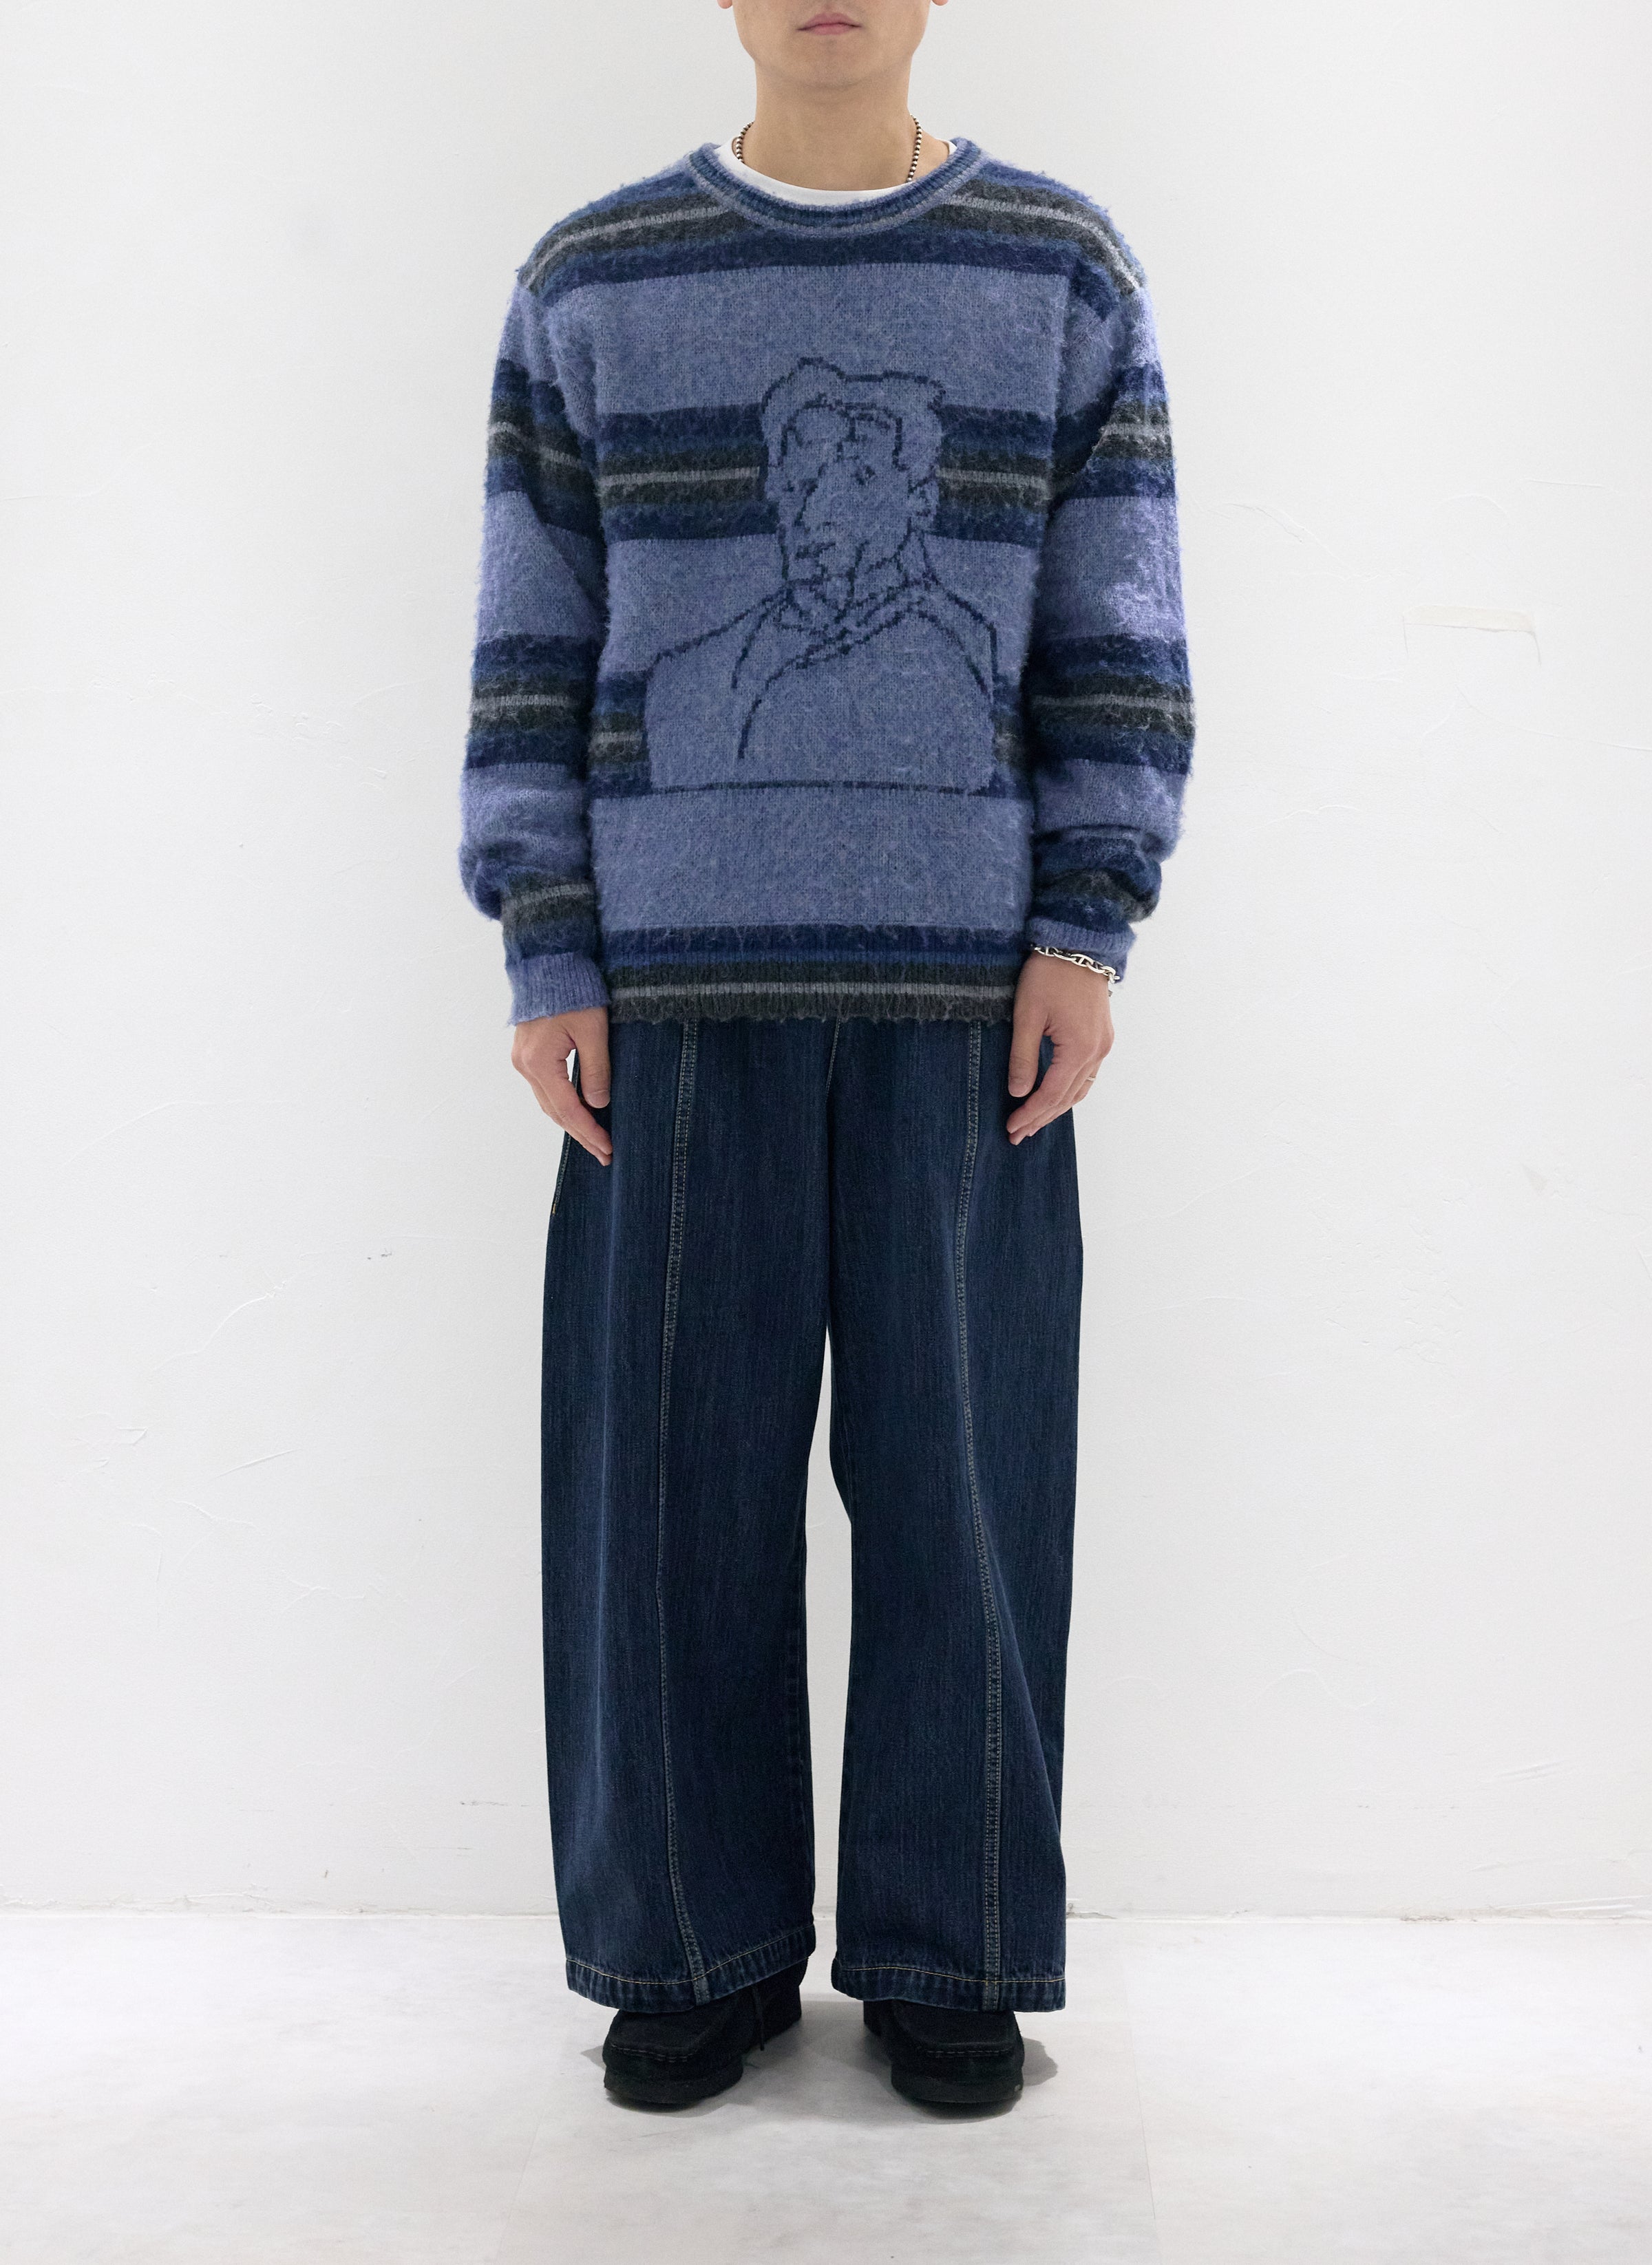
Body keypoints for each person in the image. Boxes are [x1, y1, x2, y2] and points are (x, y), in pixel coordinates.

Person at [458, 0, 1193, 2112]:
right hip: (667, 1010)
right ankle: (687, 1944)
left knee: (967, 1487)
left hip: (968, 1016)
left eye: (864, 471)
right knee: (664, 1494)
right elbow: (532, 636)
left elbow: (1114, 622)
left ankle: (952, 1943)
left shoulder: (1058, 272)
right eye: (809, 471)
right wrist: (546, 941)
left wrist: (1087, 920)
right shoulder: (594, 284)